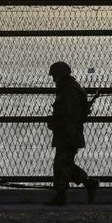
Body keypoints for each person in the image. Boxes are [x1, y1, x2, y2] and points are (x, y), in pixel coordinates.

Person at [45, 61, 99, 206]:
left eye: (55, 76)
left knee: (61, 165)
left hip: (68, 134)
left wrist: (55, 123)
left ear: (60, 76)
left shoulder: (69, 91)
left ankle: (62, 195)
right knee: (65, 164)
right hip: (69, 134)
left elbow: (67, 115)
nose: (53, 79)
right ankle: (88, 183)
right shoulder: (70, 89)